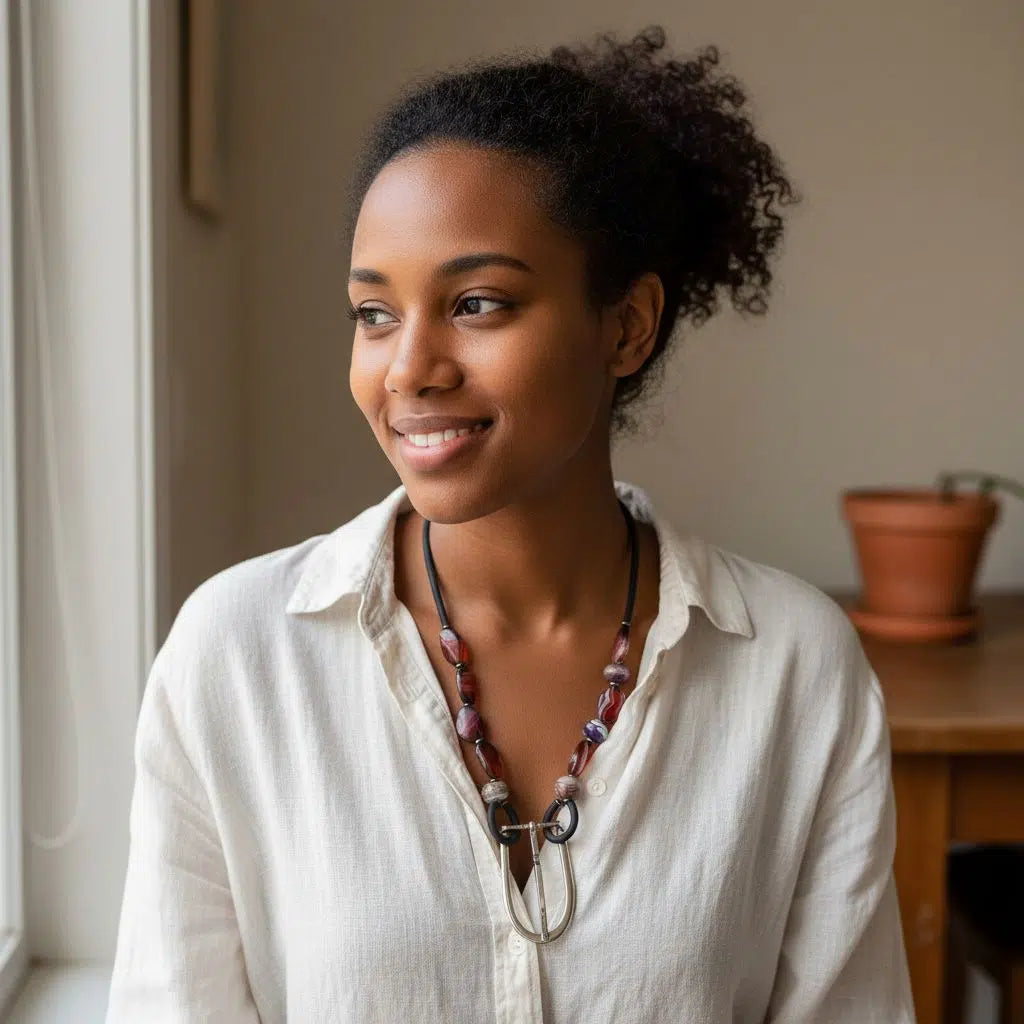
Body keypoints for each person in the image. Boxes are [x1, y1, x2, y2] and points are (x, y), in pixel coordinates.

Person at [107, 25, 915, 1023]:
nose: (408, 368)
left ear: (626, 325)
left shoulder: (792, 669)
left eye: (477, 302)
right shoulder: (235, 658)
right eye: (373, 314)